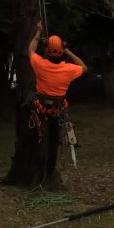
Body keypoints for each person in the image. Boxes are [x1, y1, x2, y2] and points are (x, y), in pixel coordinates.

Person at [27, 20, 88, 182]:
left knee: (39, 139)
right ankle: (50, 171)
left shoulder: (39, 64)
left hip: (40, 111)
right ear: (61, 51)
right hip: (56, 112)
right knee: (53, 142)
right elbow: (84, 67)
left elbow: (31, 49)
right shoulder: (68, 69)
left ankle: (38, 171)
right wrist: (68, 52)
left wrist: (38, 33)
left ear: (46, 51)